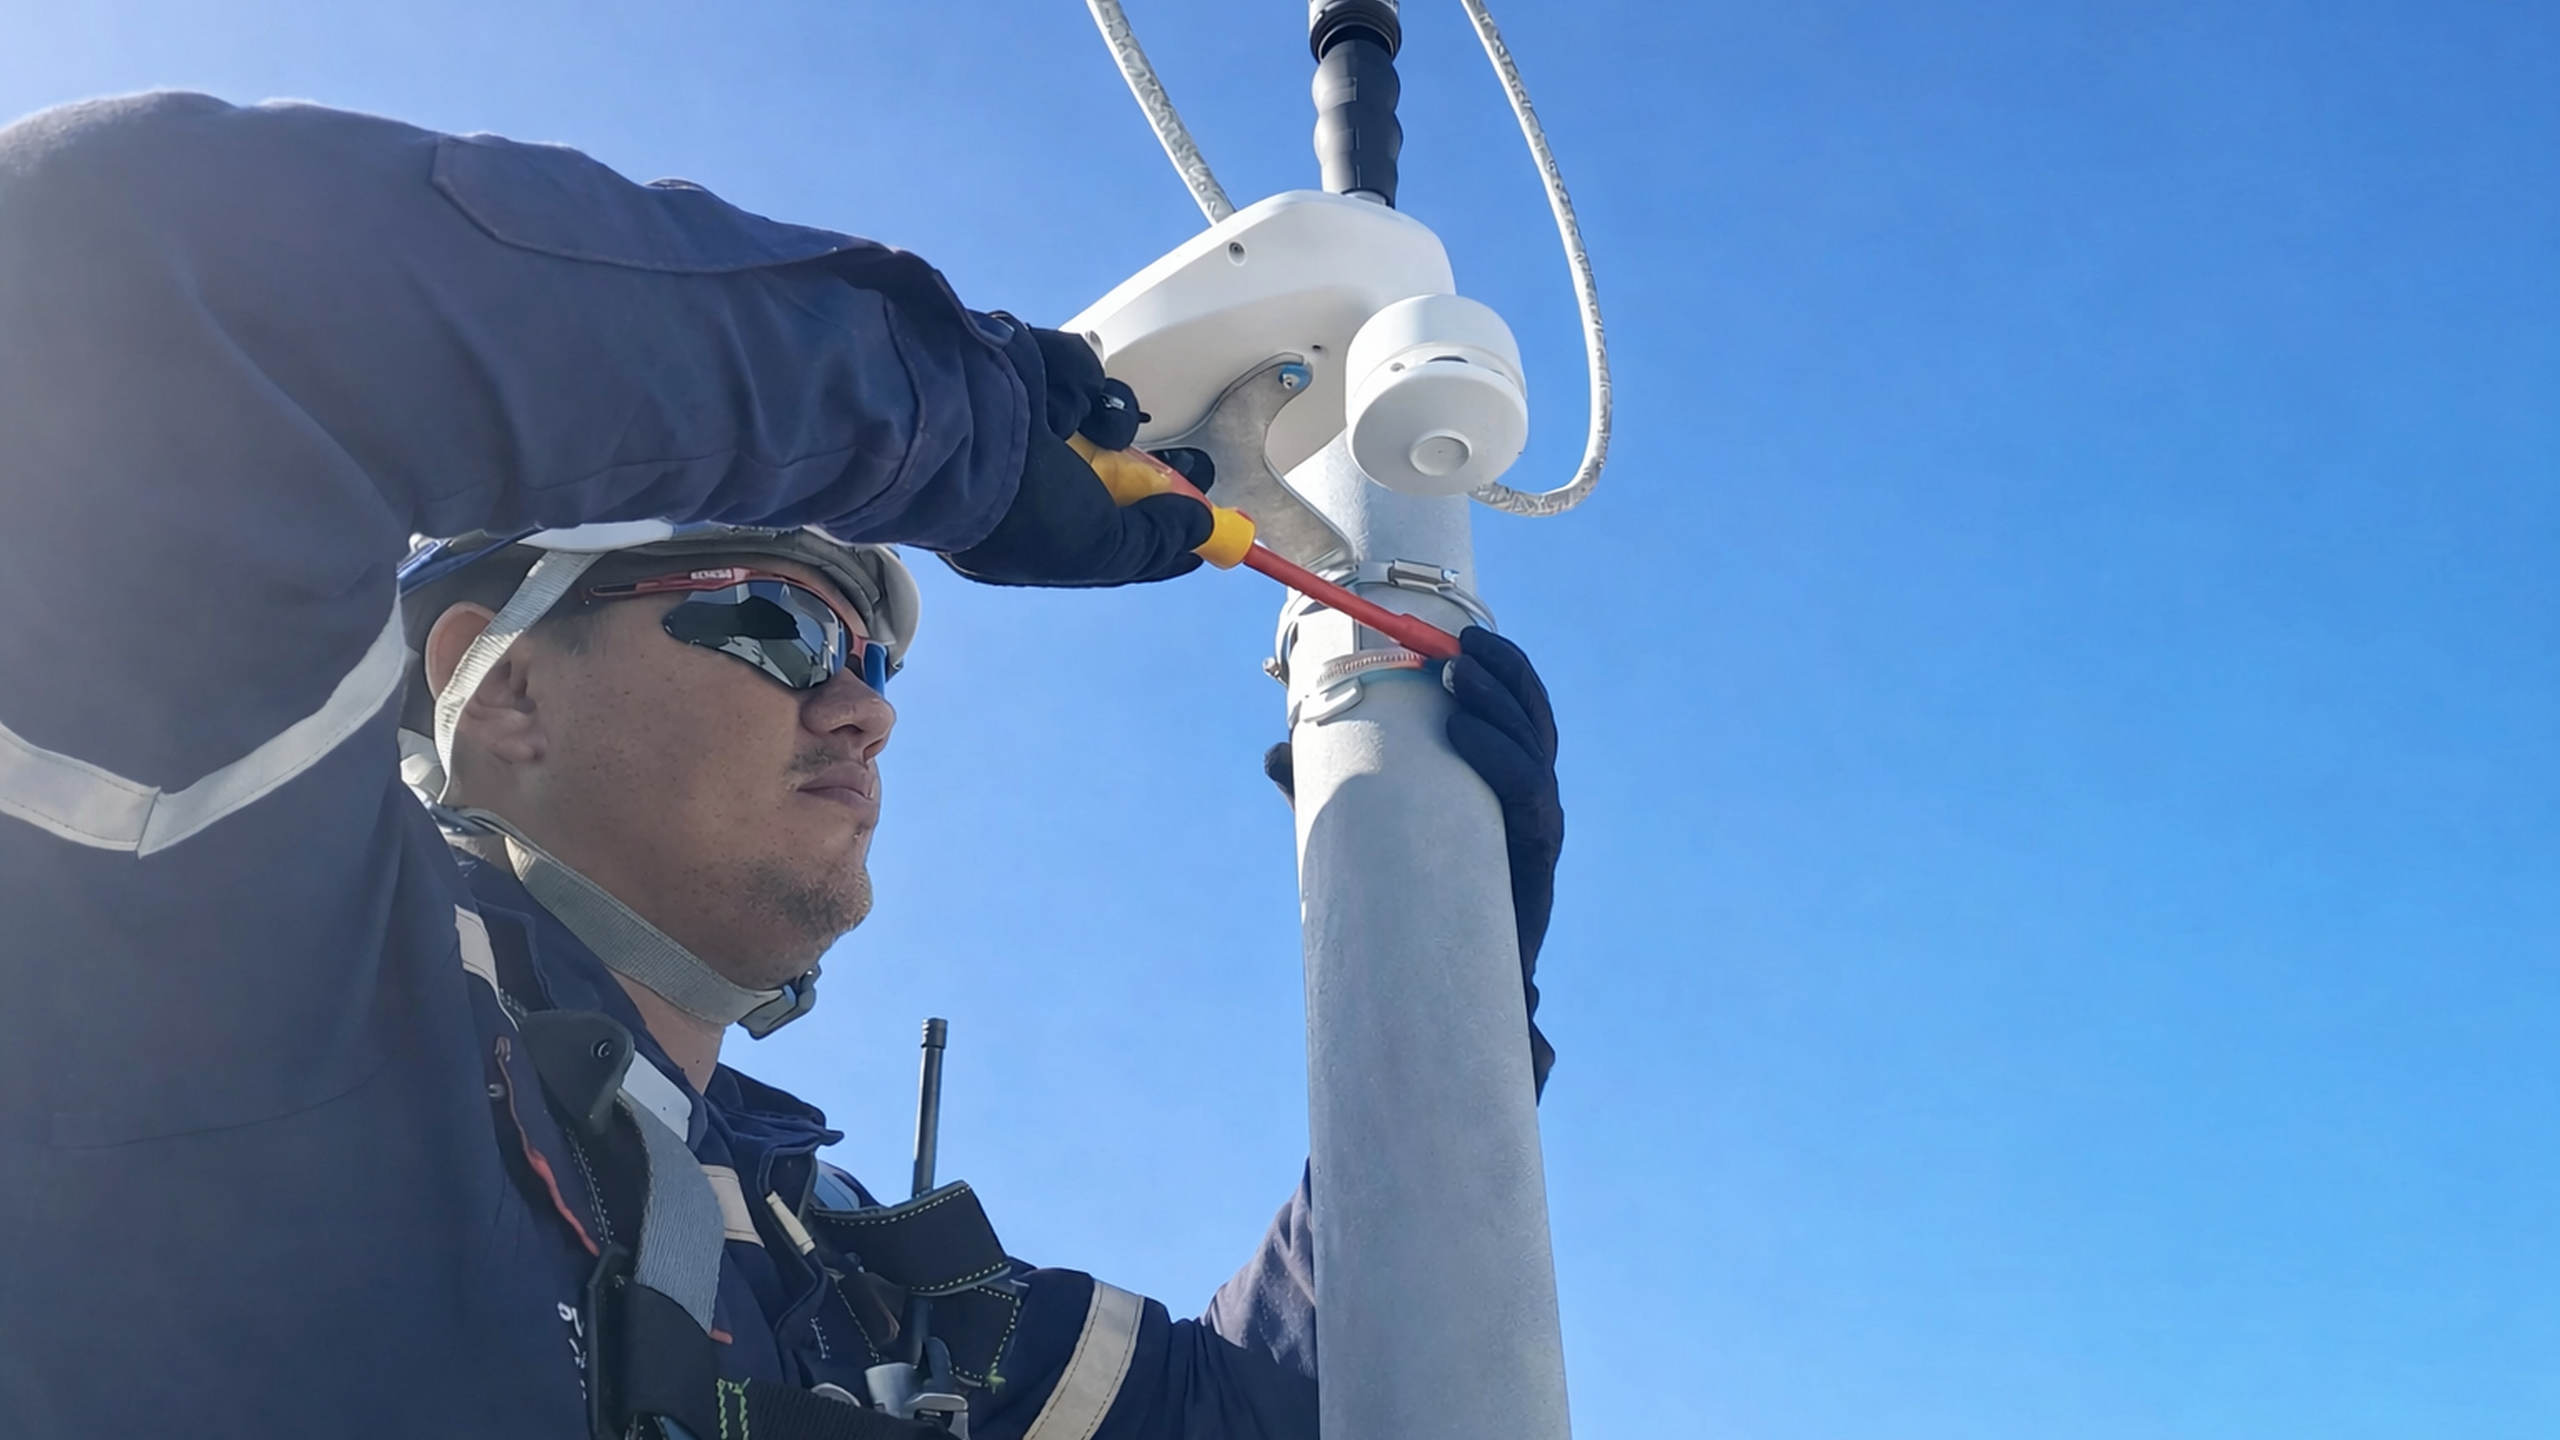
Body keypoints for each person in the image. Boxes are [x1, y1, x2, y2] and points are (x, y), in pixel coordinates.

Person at [0, 91, 1562, 1439]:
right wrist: (962, 428)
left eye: (875, 664)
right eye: (780, 624)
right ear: (505, 690)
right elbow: (107, 262)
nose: (862, 712)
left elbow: (1301, 1407)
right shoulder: (233, 956)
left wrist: (1461, 985)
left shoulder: (851, 1283)